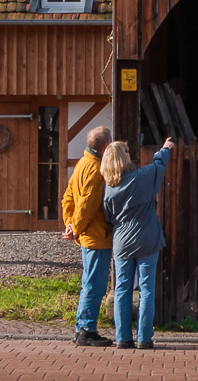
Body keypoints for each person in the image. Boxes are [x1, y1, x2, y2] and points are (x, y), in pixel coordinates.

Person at [100, 138, 174, 350]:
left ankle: (123, 338)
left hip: (122, 242)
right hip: (147, 238)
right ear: (124, 157)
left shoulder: (110, 188)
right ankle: (144, 338)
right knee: (146, 289)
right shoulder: (142, 177)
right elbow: (158, 165)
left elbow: (108, 216)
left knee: (122, 288)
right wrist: (165, 149)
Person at [60, 125, 113, 347]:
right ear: (104, 146)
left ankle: (82, 327)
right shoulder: (97, 168)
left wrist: (69, 224)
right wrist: (76, 228)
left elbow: (68, 198)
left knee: (88, 282)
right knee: (95, 284)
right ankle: (86, 329)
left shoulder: (81, 164)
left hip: (86, 236)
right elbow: (88, 206)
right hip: (96, 236)